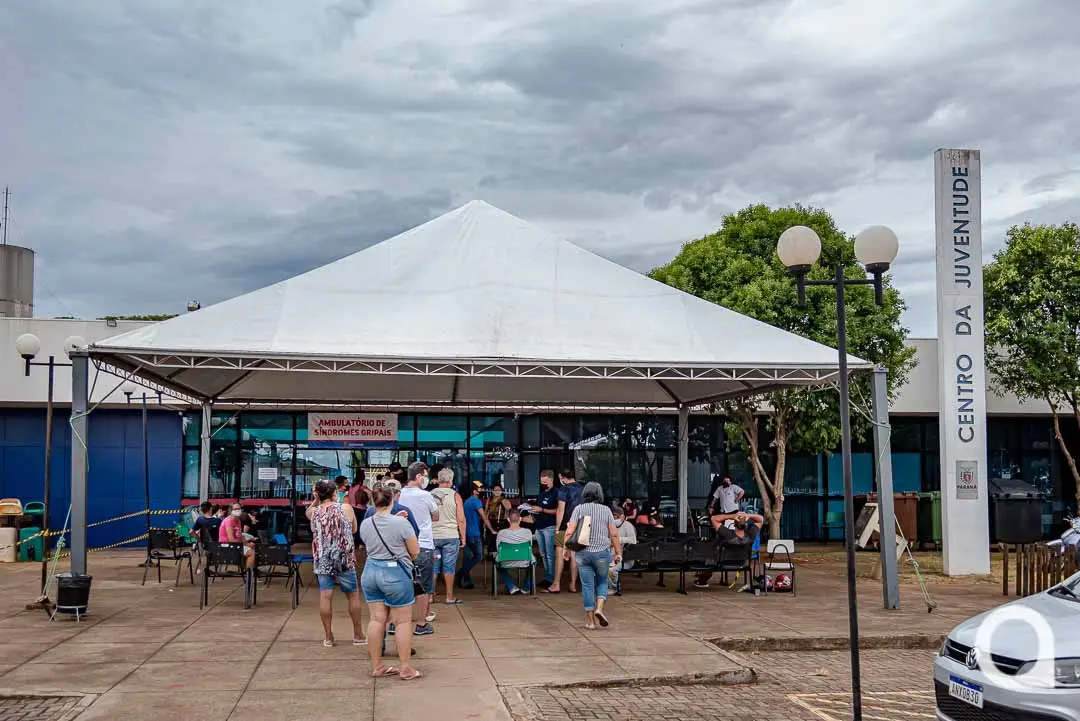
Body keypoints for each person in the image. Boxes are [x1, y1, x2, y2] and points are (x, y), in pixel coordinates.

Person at [357, 482, 422, 680]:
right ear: (392, 499)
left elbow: (367, 543)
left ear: (373, 501)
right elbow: (415, 551)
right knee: (402, 621)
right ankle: (405, 668)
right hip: (395, 574)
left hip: (370, 572)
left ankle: (377, 666)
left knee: (376, 619)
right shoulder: (402, 523)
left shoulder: (366, 523)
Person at [306, 480, 365, 647]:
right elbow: (354, 529)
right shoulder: (346, 508)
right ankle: (358, 634)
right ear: (334, 493)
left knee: (325, 596)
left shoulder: (314, 512)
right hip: (344, 558)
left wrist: (316, 499)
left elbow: (309, 511)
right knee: (352, 595)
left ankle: (328, 636)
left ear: (318, 494)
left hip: (323, 559)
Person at [563, 482, 622, 630]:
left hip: (583, 553)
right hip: (602, 552)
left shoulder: (578, 509)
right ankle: (599, 609)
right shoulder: (606, 510)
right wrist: (618, 553)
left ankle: (591, 622)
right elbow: (614, 534)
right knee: (602, 582)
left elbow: (570, 531)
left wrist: (566, 548)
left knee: (587, 586)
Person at [397, 462, 438, 636]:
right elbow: (436, 515)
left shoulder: (399, 494)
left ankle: (394, 622)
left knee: (400, 583)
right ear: (419, 476)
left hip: (401, 546)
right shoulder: (426, 495)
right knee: (423, 586)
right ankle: (421, 623)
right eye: (425, 475)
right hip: (423, 544)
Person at [694, 512, 763, 589]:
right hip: (741, 562)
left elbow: (713, 518)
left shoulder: (727, 534)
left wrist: (732, 516)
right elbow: (760, 519)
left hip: (723, 562)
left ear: (734, 524)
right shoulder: (751, 535)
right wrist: (748, 515)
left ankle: (702, 580)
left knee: (709, 558)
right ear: (746, 524)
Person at [429, 468, 465, 605]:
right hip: (450, 536)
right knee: (449, 567)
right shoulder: (455, 496)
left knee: (434, 566)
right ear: (450, 480)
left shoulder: (429, 495)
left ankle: (431, 596)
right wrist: (463, 537)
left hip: (433, 537)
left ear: (438, 480)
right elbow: (461, 519)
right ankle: (449, 596)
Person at [549, 468, 581, 594]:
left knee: (559, 555)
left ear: (562, 477)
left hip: (564, 526)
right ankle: (573, 584)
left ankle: (556, 584)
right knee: (574, 556)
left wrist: (557, 528)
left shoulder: (563, 489)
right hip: (578, 526)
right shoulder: (582, 489)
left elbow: (560, 510)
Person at [458, 481, 494, 590]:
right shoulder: (476, 501)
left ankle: (465, 580)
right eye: (480, 489)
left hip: (466, 533)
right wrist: (492, 530)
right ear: (474, 491)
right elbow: (484, 517)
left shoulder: (467, 502)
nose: (482, 490)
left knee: (467, 557)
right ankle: (462, 573)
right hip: (474, 533)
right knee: (479, 556)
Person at [494, 509, 535, 594]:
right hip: (525, 561)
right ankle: (526, 587)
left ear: (508, 519)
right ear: (520, 519)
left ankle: (511, 587)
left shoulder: (501, 533)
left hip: (505, 561)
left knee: (497, 564)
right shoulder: (528, 532)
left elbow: (498, 548)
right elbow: (529, 547)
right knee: (533, 562)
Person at [530, 470, 559, 588]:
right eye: (542, 482)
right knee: (542, 554)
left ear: (551, 480)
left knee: (550, 554)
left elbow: (558, 510)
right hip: (539, 527)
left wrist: (542, 510)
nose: (543, 484)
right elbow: (539, 508)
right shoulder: (541, 494)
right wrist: (533, 510)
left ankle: (551, 578)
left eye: (545, 482)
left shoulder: (556, 493)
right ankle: (547, 576)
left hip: (550, 527)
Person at [609, 506, 638, 593]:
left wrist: (617, 540)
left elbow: (633, 540)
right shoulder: (610, 525)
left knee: (611, 569)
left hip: (625, 559)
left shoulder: (628, 526)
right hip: (610, 556)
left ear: (622, 516)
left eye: (616, 516)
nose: (615, 519)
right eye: (613, 516)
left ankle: (614, 588)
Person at [219, 502, 256, 569]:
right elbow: (231, 539)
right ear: (231, 510)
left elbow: (240, 536)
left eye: (239, 508)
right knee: (251, 553)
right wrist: (246, 544)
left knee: (254, 548)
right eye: (235, 509)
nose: (238, 510)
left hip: (236, 545)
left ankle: (250, 569)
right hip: (227, 546)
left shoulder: (238, 520)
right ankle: (249, 574)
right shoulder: (228, 521)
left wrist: (247, 542)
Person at [484, 482, 512, 550]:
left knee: (501, 544)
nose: (497, 491)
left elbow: (510, 511)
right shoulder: (489, 500)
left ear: (501, 491)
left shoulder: (504, 500)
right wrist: (485, 525)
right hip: (490, 524)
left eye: (499, 490)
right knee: (491, 545)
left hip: (501, 524)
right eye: (495, 490)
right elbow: (486, 512)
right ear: (493, 491)